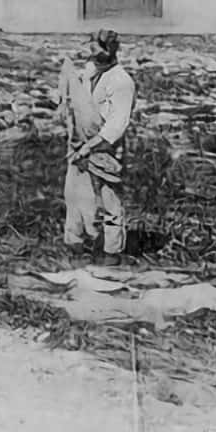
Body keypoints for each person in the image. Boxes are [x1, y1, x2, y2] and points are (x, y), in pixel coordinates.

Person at [60, 29, 138, 265]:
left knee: (109, 201)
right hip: (80, 145)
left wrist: (92, 146)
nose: (92, 55)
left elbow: (117, 125)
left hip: (106, 149)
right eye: (91, 50)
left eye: (97, 50)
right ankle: (75, 246)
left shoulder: (121, 81)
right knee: (75, 197)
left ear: (111, 51)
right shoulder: (90, 73)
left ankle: (111, 254)